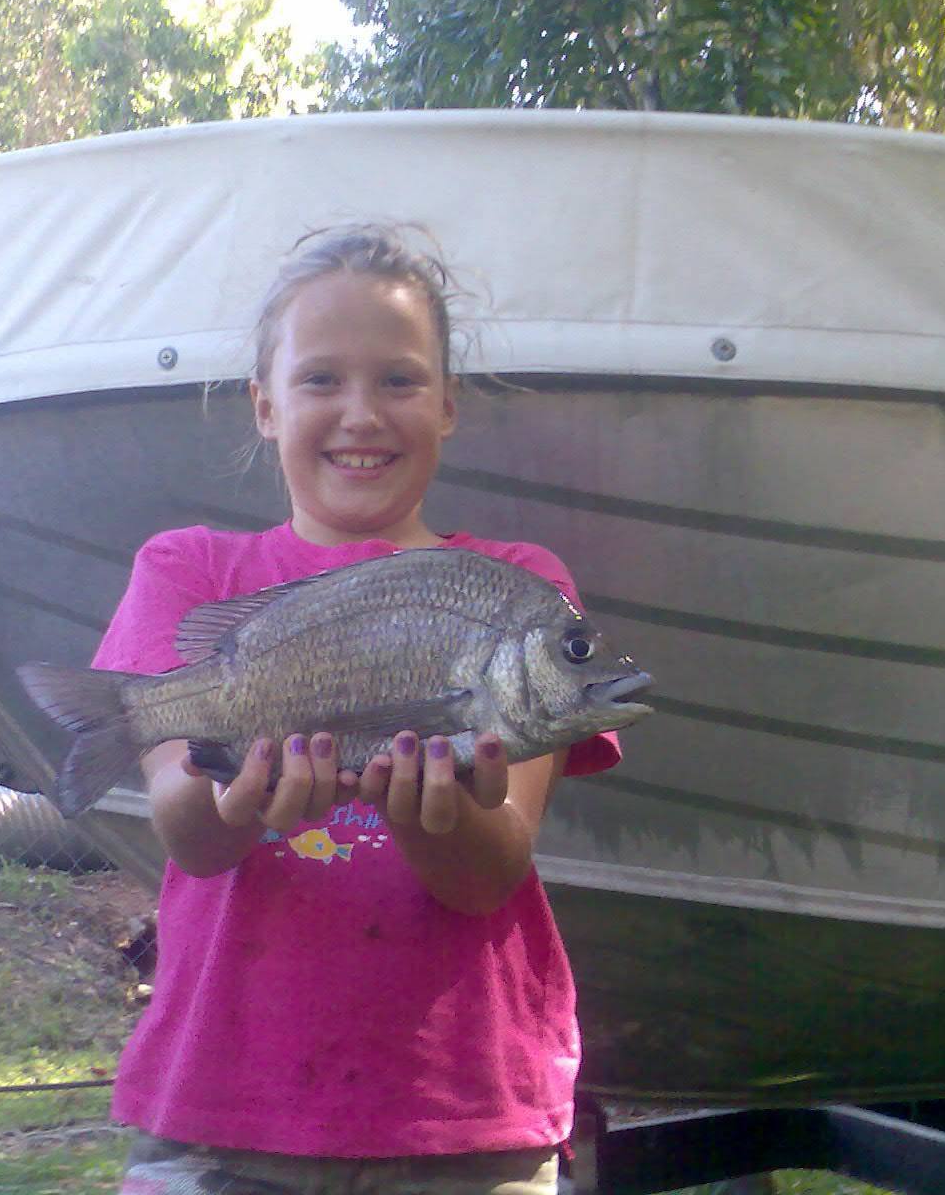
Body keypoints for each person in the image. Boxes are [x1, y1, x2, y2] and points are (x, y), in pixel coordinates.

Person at [95, 225, 623, 1195]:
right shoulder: (187, 572)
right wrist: (237, 801)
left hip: (460, 1114)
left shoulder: (518, 587)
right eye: (321, 380)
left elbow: (486, 874)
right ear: (264, 405)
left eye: (399, 381)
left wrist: (435, 809)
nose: (361, 413)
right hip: (224, 1107)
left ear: (449, 406)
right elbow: (192, 838)